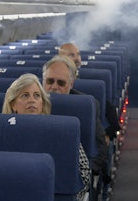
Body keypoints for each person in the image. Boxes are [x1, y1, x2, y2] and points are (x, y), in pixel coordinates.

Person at [2, 73, 90, 200]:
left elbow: (84, 174)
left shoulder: (62, 131)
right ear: (13, 104)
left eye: (36, 96)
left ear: (42, 104)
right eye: (25, 95)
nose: (31, 100)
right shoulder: (1, 132)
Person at [42, 56, 109, 189]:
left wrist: (84, 175)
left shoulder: (87, 106)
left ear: (71, 84)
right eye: (49, 81)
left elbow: (101, 148)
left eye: (61, 83)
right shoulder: (31, 105)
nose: (54, 87)